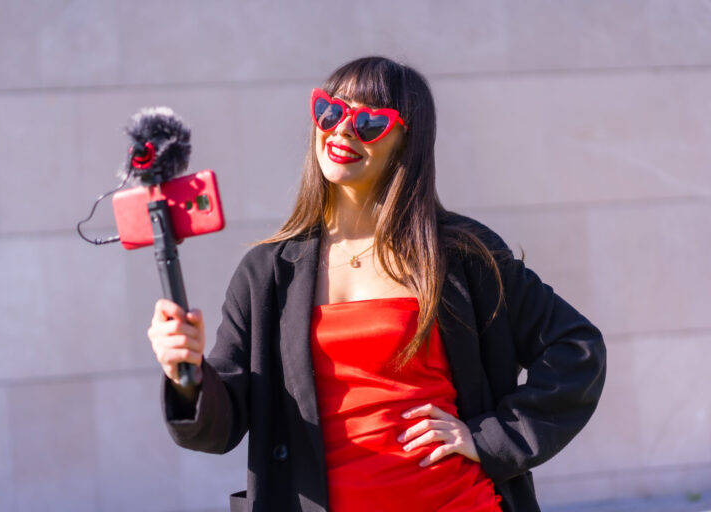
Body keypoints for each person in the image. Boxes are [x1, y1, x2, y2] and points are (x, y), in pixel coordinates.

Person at [148, 56, 606, 512]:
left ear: (408, 140)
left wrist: (490, 438)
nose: (343, 130)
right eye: (329, 111)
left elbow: (576, 349)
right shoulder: (266, 272)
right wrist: (185, 372)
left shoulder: (463, 254)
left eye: (369, 121)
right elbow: (220, 426)